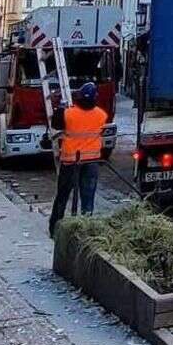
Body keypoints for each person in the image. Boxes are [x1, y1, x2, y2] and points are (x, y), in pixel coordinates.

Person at [50, 82, 108, 234]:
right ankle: (85, 229)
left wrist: (59, 109)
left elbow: (56, 124)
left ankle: (55, 228)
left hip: (70, 161)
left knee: (62, 196)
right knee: (87, 197)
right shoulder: (101, 115)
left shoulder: (68, 114)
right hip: (91, 161)